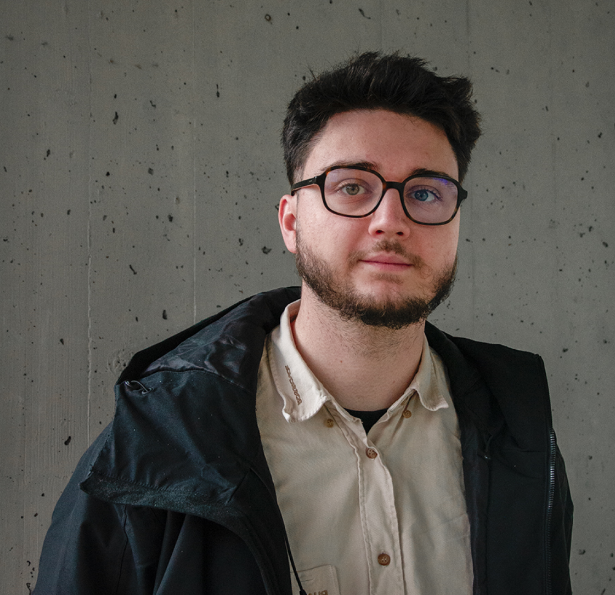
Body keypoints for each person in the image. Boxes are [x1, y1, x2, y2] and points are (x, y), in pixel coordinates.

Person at [33, 52, 573, 595]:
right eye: (352, 187)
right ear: (291, 223)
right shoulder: (162, 440)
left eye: (425, 193)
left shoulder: (518, 434)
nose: (391, 221)